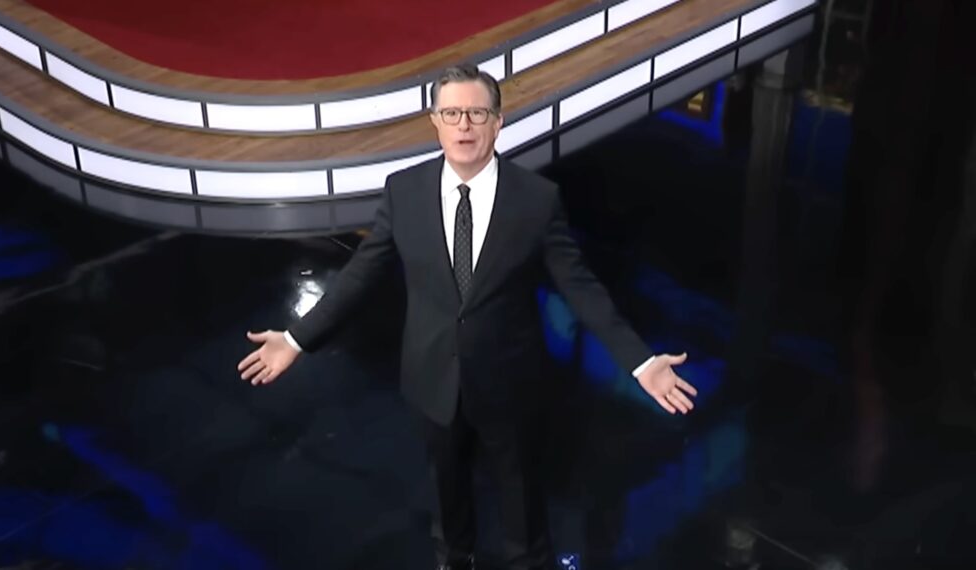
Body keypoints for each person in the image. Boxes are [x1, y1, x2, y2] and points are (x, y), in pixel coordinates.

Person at [237, 63, 698, 570]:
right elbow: (361, 275)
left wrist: (639, 362)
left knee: (523, 514)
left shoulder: (536, 200)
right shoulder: (404, 191)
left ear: (497, 122)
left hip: (511, 387)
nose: (464, 125)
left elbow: (581, 288)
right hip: (432, 381)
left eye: (476, 114)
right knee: (447, 505)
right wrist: (297, 339)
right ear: (434, 121)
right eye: (452, 113)